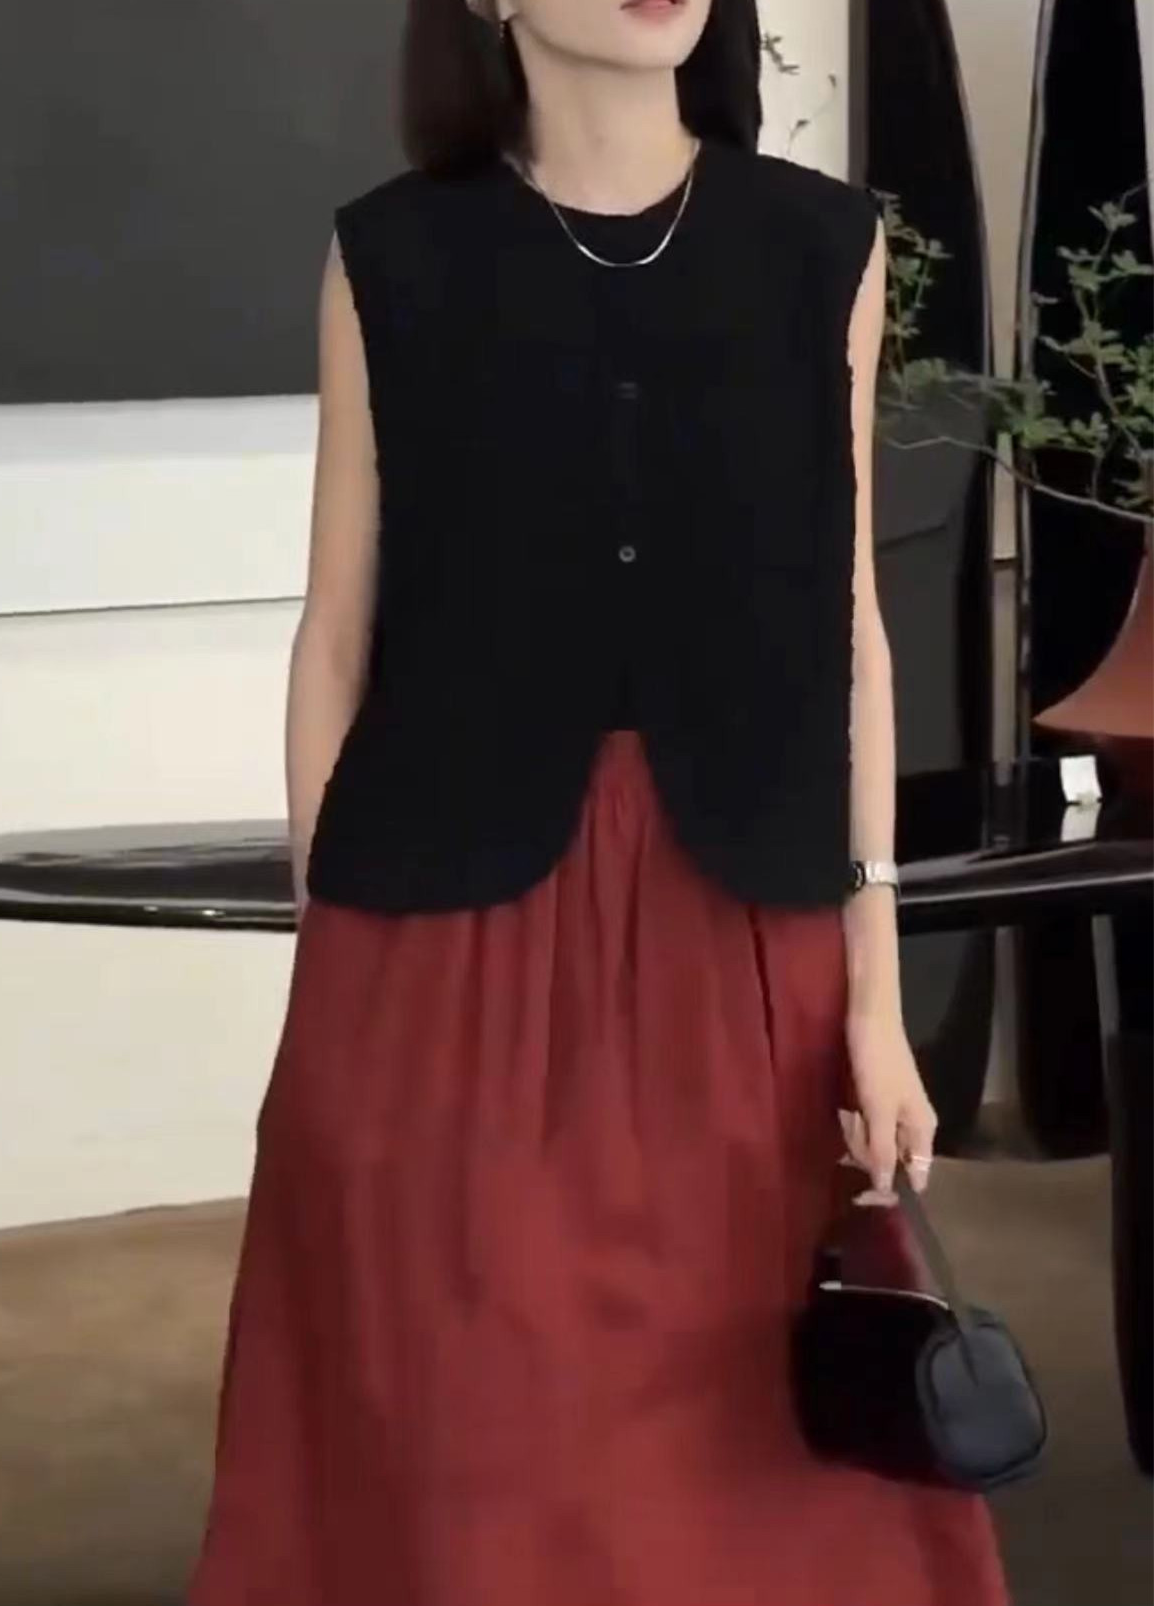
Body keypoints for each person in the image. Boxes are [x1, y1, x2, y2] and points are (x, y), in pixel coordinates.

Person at [186, 1, 1012, 1601]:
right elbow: (335, 629)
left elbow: (847, 625)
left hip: (740, 944)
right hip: (441, 946)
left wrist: (875, 998)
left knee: (735, 1452)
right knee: (467, 1430)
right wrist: (328, 961)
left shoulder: (819, 245)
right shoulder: (392, 255)